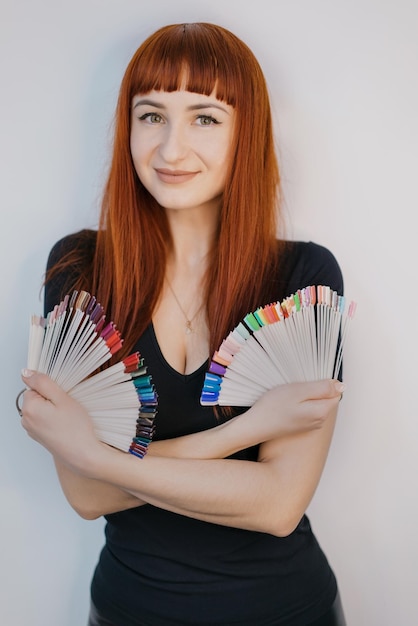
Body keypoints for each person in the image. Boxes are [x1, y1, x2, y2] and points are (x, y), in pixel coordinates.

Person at [20, 22, 347, 626]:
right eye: (151, 116)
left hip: (287, 610)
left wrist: (96, 454)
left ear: (246, 134)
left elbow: (278, 504)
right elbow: (86, 497)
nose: (171, 149)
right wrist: (244, 431)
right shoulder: (79, 269)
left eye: (204, 118)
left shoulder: (305, 276)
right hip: (128, 610)